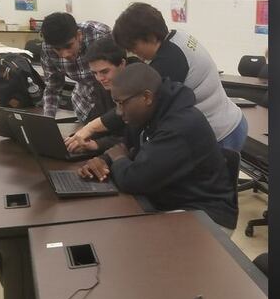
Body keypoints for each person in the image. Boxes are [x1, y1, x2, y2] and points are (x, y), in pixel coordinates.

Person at [67, 2, 248, 152]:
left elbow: (131, 108)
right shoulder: (178, 37)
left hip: (222, 131)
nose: (132, 51)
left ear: (151, 36)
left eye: (133, 45)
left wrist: (89, 128)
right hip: (225, 121)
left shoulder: (169, 60)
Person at [77, 63, 238, 229]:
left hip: (204, 216)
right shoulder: (148, 113)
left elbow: (134, 180)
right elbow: (127, 146)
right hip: (168, 201)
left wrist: (117, 159)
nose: (118, 112)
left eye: (121, 103)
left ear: (147, 97)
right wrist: (104, 159)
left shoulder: (180, 126)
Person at [39, 12, 111, 123]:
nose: (65, 55)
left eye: (68, 46)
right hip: (83, 106)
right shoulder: (48, 47)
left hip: (111, 103)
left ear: (79, 35)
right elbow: (52, 89)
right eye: (57, 49)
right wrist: (47, 122)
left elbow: (120, 77)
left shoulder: (100, 35)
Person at [80, 38, 141, 151]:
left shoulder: (140, 85)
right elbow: (95, 120)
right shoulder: (102, 85)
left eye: (104, 72)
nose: (99, 78)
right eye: (95, 73)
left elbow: (134, 137)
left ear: (122, 63)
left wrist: (98, 145)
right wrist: (78, 139)